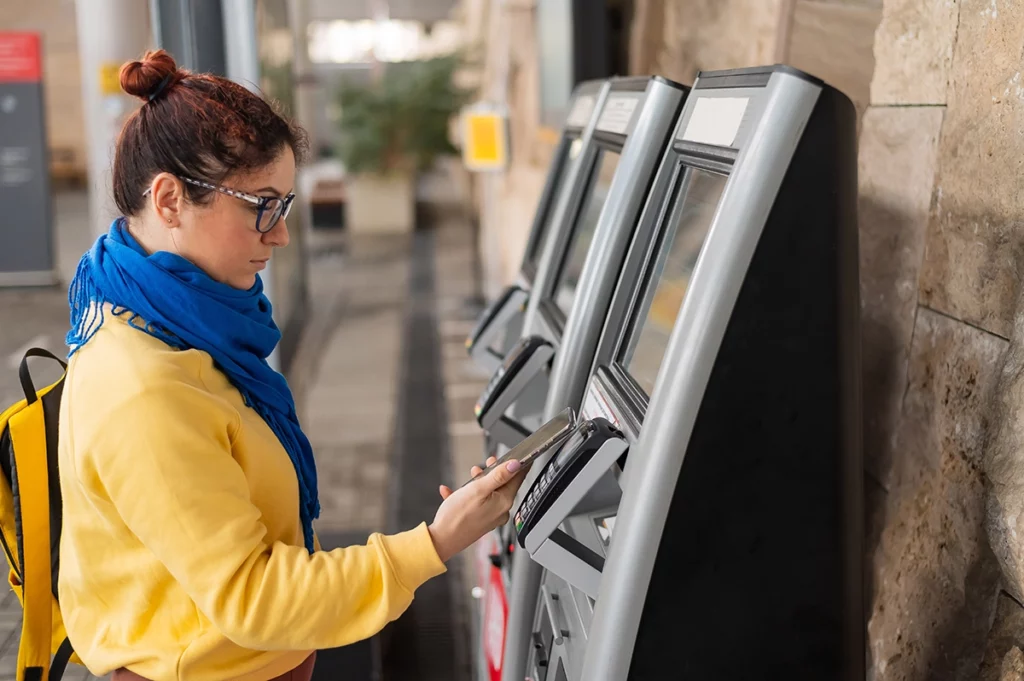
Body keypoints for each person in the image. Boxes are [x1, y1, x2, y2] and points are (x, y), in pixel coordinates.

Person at [57, 50, 524, 681]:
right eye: (262, 206)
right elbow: (253, 597)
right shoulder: (145, 384)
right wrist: (436, 543)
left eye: (285, 207)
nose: (278, 235)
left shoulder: (174, 321)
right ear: (169, 199)